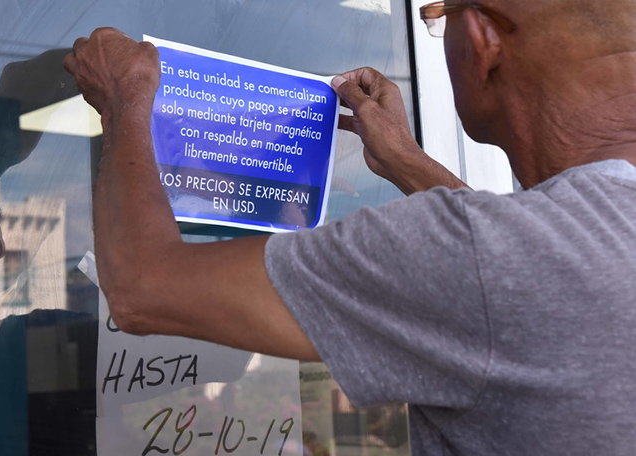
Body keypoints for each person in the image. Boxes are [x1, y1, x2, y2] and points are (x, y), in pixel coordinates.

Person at [63, 0, 636, 453]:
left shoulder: (491, 257)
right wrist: (405, 159)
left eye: (441, 17)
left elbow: (144, 289)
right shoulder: (594, 233)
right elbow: (518, 274)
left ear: (482, 43)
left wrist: (125, 97)